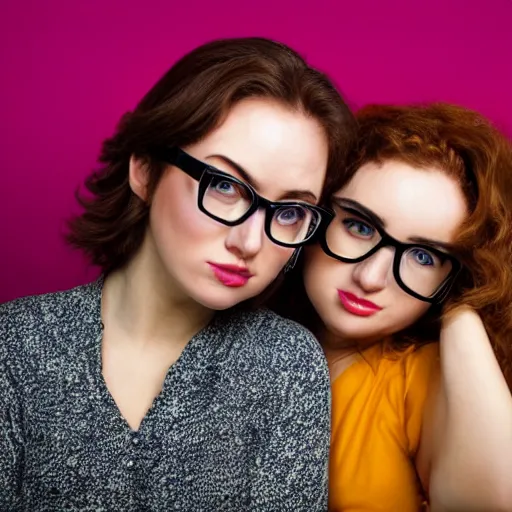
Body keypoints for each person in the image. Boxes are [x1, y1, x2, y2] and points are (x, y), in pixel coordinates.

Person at [0, 37, 355, 511]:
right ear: (145, 170)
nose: (250, 243)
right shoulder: (15, 348)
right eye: (226, 186)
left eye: (289, 212)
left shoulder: (286, 366)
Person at [272, 103, 512, 511]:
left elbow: (494, 502)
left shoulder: (420, 378)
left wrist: (464, 312)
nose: (371, 277)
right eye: (360, 227)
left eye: (423, 256)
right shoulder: (237, 339)